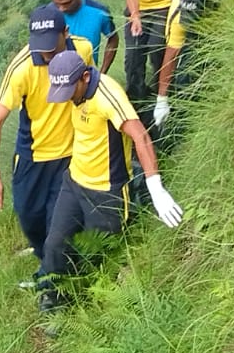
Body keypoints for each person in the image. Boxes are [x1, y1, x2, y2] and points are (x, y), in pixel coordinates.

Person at [36, 50, 183, 312]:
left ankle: (98, 309)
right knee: (54, 244)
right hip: (74, 181)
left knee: (101, 255)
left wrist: (156, 188)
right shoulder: (73, 89)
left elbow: (141, 137)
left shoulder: (108, 95)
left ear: (84, 77)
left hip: (106, 191)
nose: (66, 97)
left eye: (69, 90)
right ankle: (55, 296)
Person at [0, 5, 95, 278]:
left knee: (58, 224)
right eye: (41, 47)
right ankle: (46, 259)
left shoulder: (82, 50)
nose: (47, 54)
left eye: (52, 46)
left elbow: (91, 90)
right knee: (30, 219)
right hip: (32, 157)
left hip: (70, 154)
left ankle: (55, 282)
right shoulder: (22, 68)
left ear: (65, 33)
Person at [152, 0, 234, 130]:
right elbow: (171, 56)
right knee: (185, 75)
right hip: (201, 29)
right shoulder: (179, 10)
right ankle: (187, 124)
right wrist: (162, 100)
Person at [48, 0, 119, 73]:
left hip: (88, 78)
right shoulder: (47, 15)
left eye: (67, 3)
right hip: (56, 80)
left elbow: (113, 39)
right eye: (57, 4)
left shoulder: (99, 12)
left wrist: (102, 73)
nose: (62, 9)